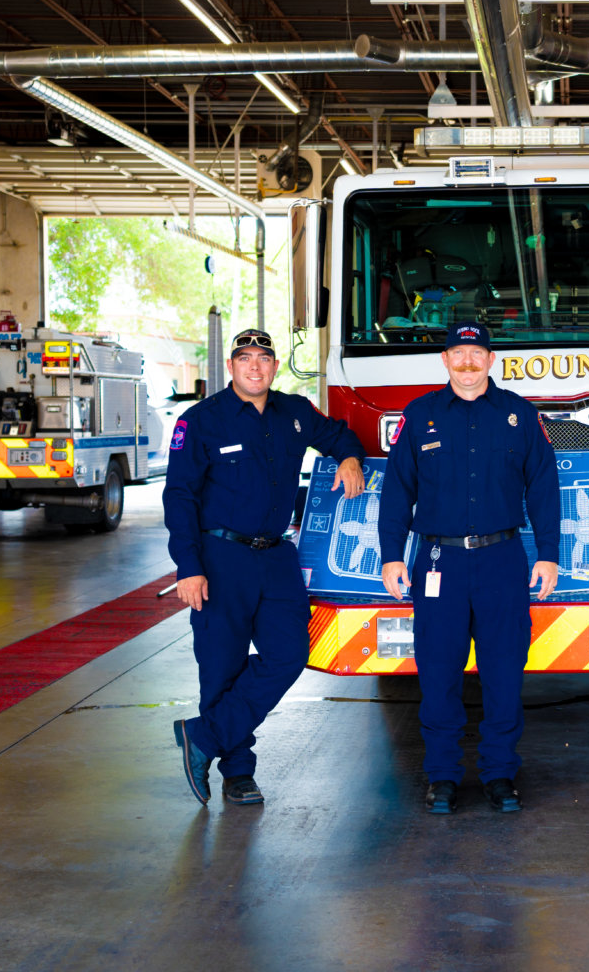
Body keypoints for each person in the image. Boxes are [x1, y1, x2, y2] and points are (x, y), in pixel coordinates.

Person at [164, 328, 365, 806]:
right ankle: (238, 774)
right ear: (231, 367)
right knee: (221, 667)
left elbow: (338, 434)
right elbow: (179, 498)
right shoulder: (201, 421)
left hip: (277, 556)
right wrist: (188, 568)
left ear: (276, 367)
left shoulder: (294, 413)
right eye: (245, 358)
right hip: (220, 558)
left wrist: (351, 457)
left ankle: (204, 737)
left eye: (264, 359)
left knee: (289, 655)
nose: (255, 367)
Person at [378, 321, 560, 815]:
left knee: (504, 672)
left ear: (490, 360)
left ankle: (499, 773)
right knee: (439, 673)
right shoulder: (420, 416)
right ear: (445, 360)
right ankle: (442, 776)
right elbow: (398, 491)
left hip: (503, 560)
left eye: (476, 353)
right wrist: (392, 554)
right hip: (439, 561)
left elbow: (543, 487)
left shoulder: (520, 415)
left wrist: (548, 553)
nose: (467, 362)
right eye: (458, 353)